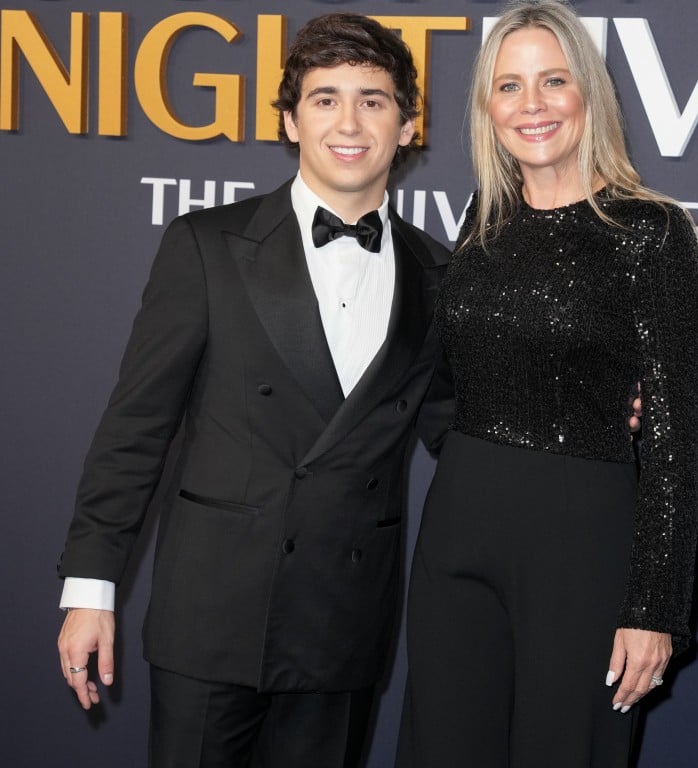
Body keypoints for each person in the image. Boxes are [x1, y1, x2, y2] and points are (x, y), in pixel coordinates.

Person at [56, 13, 453, 768]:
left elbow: (464, 430)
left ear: (407, 126)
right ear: (289, 121)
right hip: (211, 617)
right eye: (325, 98)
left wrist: (591, 410)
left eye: (373, 100)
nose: (349, 122)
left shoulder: (438, 275)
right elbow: (136, 429)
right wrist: (91, 587)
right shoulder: (207, 246)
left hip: (342, 627)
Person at [396, 2, 698, 766]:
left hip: (582, 543)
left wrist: (654, 609)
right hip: (459, 529)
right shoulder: (483, 222)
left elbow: (675, 443)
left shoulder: (651, 231)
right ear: (487, 107)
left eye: (552, 81)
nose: (530, 105)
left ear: (588, 95)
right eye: (508, 86)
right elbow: (451, 375)